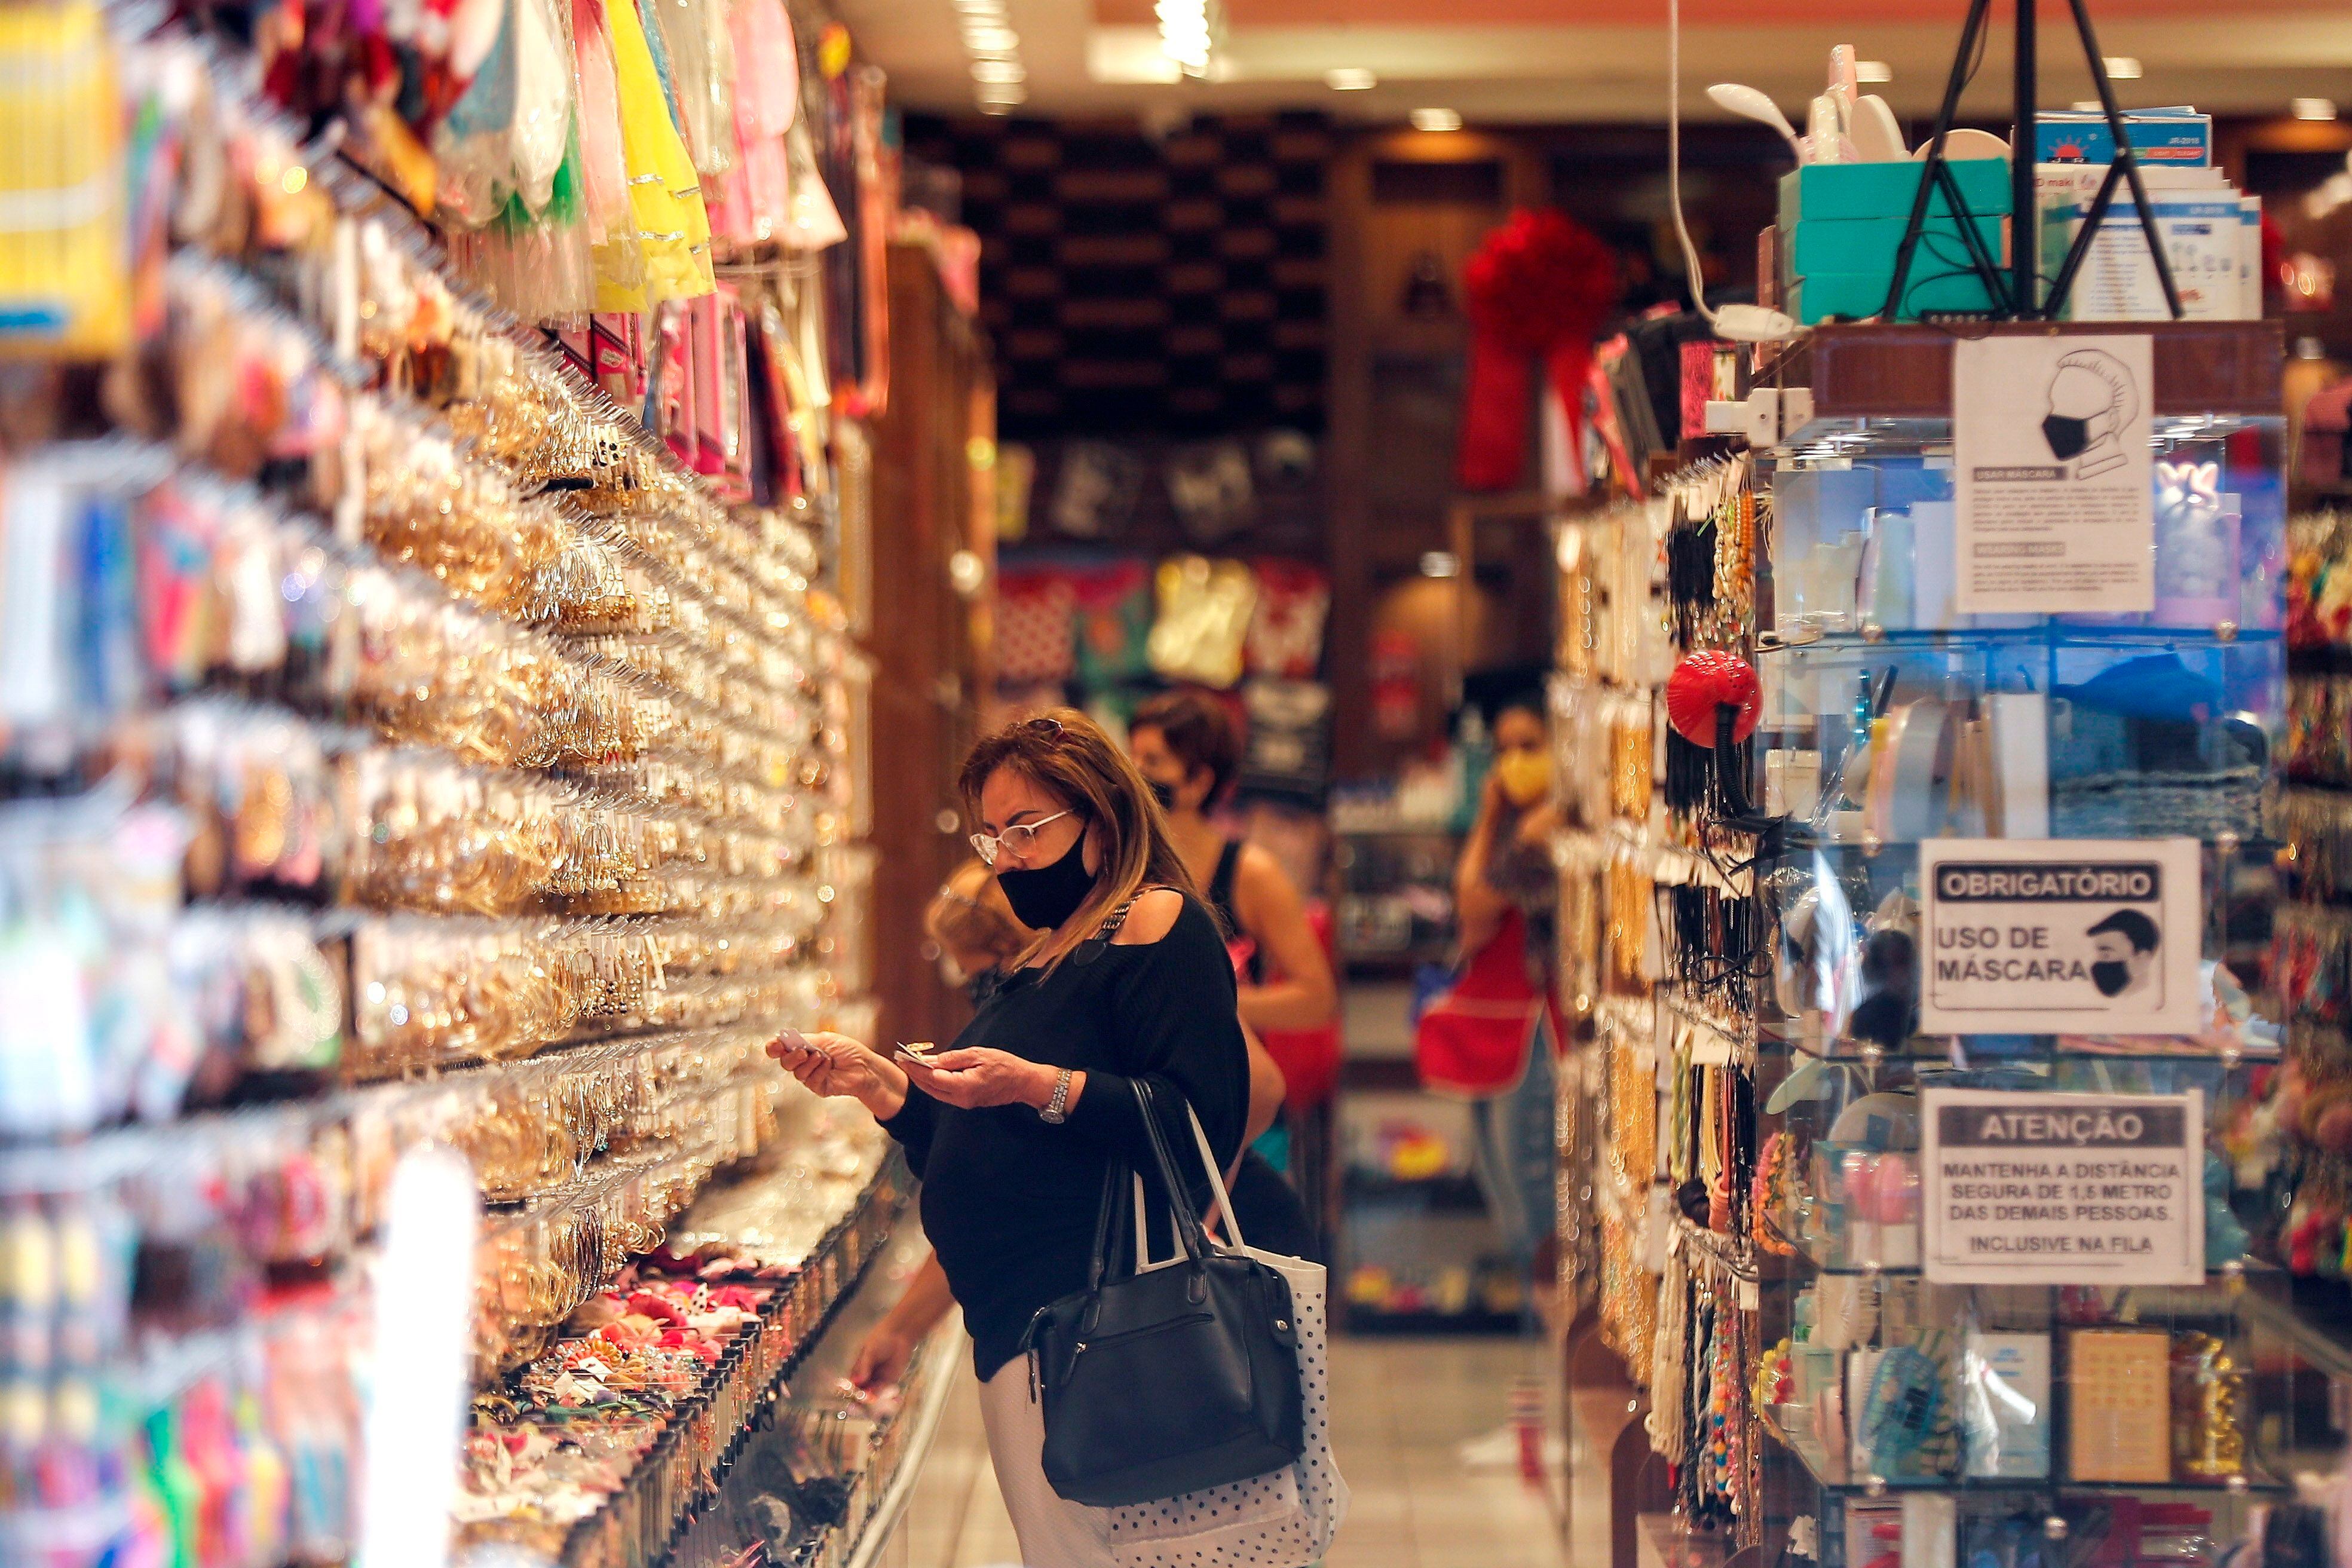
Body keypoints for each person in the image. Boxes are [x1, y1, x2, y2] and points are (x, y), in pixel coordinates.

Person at [770, 710, 1254, 1568]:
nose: (1009, 858)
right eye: (994, 837)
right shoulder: (1048, 951)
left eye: (1027, 830)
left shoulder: (1159, 927)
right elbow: (988, 1142)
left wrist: (1040, 1085)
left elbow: (1201, 1123)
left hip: (1094, 1328)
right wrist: (882, 1089)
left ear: (1101, 824)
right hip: (1016, 1331)